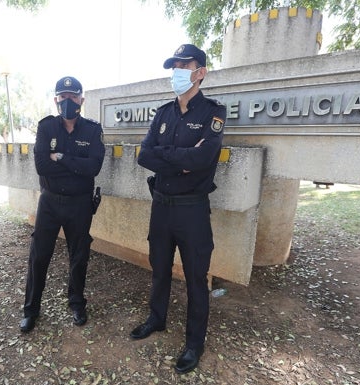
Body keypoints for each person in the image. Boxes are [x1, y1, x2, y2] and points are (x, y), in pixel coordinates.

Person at [130, 44, 226, 374]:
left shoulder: (213, 113)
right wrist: (181, 160)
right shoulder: (162, 113)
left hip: (192, 211)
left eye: (184, 65)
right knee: (158, 268)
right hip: (162, 207)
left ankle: (194, 342)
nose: (177, 71)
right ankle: (156, 319)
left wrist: (168, 156)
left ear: (200, 72)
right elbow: (144, 156)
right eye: (174, 66)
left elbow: (203, 159)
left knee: (196, 278)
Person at [20, 76, 105, 333]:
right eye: (63, 97)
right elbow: (41, 166)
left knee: (79, 255)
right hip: (49, 202)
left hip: (79, 204)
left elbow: (94, 168)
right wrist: (73, 165)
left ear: (82, 99)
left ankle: (77, 303)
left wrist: (61, 157)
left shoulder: (92, 130)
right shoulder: (46, 127)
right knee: (39, 256)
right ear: (56, 100)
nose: (68, 101)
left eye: (73, 96)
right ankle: (31, 310)